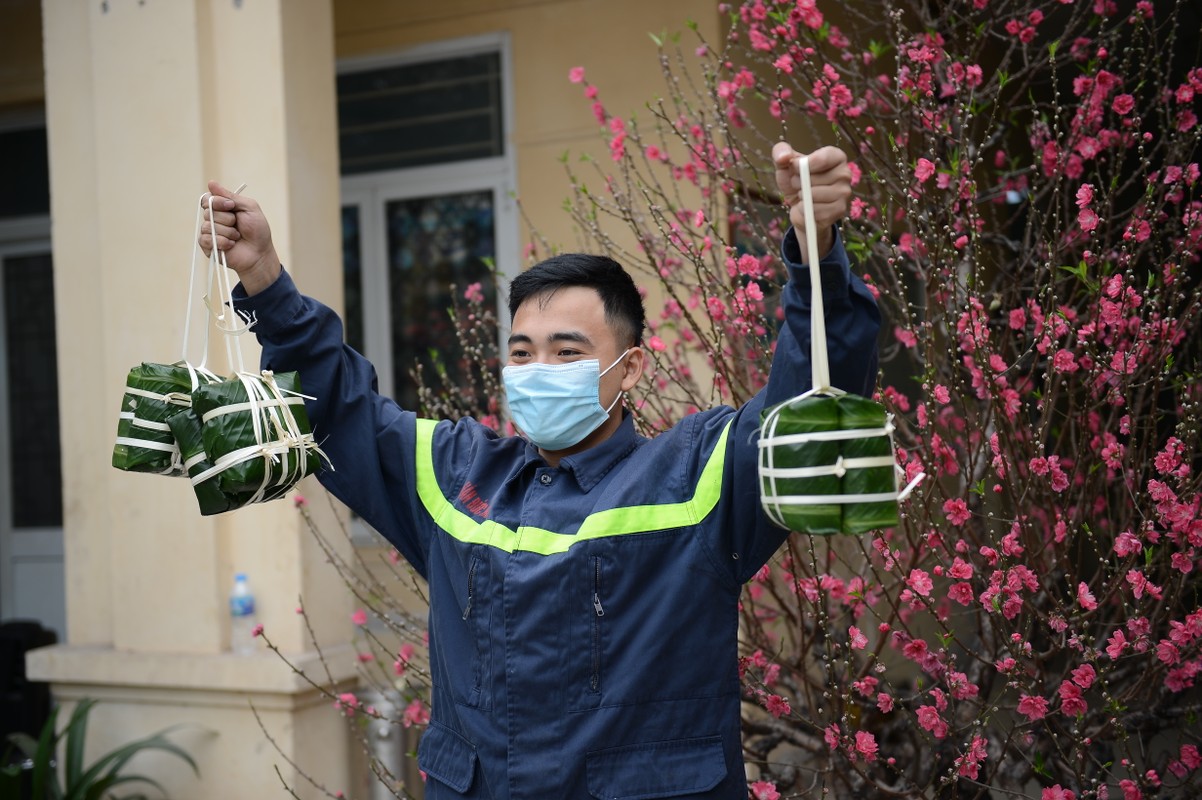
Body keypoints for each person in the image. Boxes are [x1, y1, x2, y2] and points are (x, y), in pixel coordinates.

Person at [200, 141, 880, 799]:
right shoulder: (456, 476)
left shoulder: (697, 476)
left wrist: (813, 255)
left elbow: (810, 412)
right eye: (521, 353)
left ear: (630, 367)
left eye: (567, 350)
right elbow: (340, 411)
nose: (537, 372)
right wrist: (263, 277)